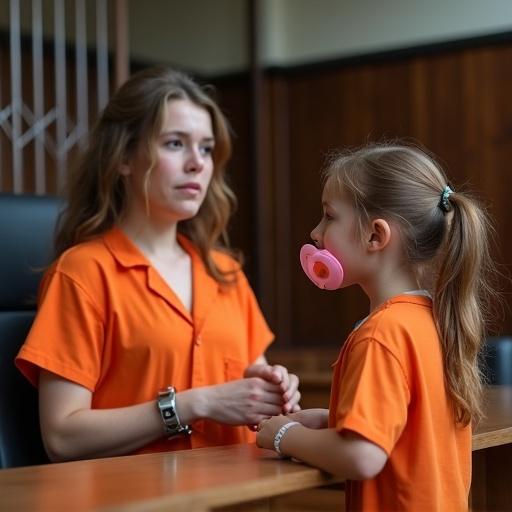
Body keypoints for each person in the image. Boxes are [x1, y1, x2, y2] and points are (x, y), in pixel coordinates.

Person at [16, 66, 300, 462]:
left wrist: (273, 391)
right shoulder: (83, 271)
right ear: (124, 158)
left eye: (205, 148)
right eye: (174, 144)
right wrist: (193, 404)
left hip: (241, 495)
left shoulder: (225, 272)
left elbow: (257, 390)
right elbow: (62, 436)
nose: (197, 164)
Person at [256, 142, 501, 511]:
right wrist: (331, 420)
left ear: (375, 236)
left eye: (329, 216)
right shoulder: (432, 320)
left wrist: (285, 435)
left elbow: (363, 456)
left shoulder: (381, 334)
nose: (315, 233)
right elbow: (409, 426)